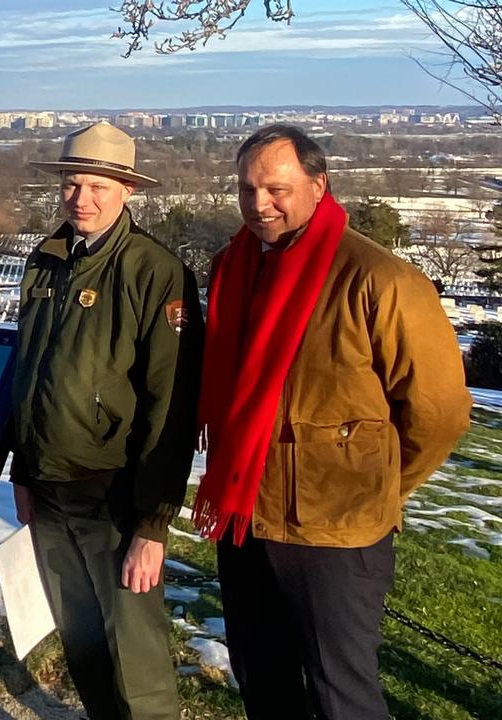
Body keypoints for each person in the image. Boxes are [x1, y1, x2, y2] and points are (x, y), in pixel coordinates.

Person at [194, 124, 472, 720]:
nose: (259, 203)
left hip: (337, 530)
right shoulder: (230, 269)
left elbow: (440, 411)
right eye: (246, 189)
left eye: (276, 188)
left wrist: (378, 484)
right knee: (263, 680)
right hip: (247, 517)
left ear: (319, 186)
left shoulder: (380, 279)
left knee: (340, 694)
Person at [8, 121, 202, 720]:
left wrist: (153, 523)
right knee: (82, 641)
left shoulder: (156, 271)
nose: (81, 198)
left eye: (98, 185)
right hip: (49, 485)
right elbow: (28, 371)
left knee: (136, 658)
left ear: (127, 191)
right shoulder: (45, 262)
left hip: (114, 492)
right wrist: (22, 470)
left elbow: (172, 405)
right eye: (72, 183)